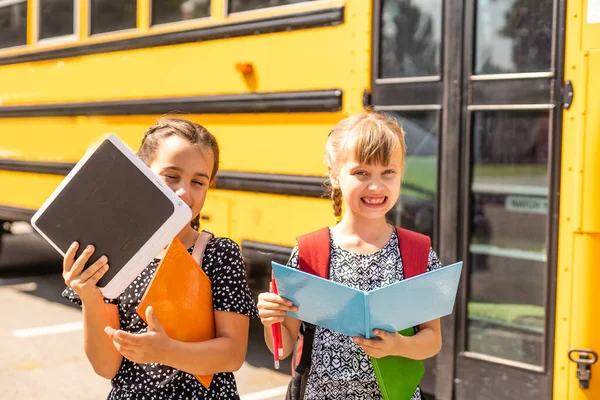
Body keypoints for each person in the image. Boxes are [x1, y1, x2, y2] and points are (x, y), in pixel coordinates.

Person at [62, 117, 258, 399]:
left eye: (198, 182)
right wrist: (90, 296)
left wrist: (166, 351)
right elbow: (105, 366)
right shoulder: (112, 253)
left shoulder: (220, 254)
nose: (184, 192)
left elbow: (232, 354)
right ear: (142, 173)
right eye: (171, 176)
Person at [257, 112, 443, 399]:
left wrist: (396, 346)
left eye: (388, 173)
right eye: (361, 173)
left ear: (401, 172)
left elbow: (432, 340)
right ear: (334, 173)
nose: (376, 186)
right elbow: (284, 348)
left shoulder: (417, 252)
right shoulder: (310, 252)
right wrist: (272, 320)